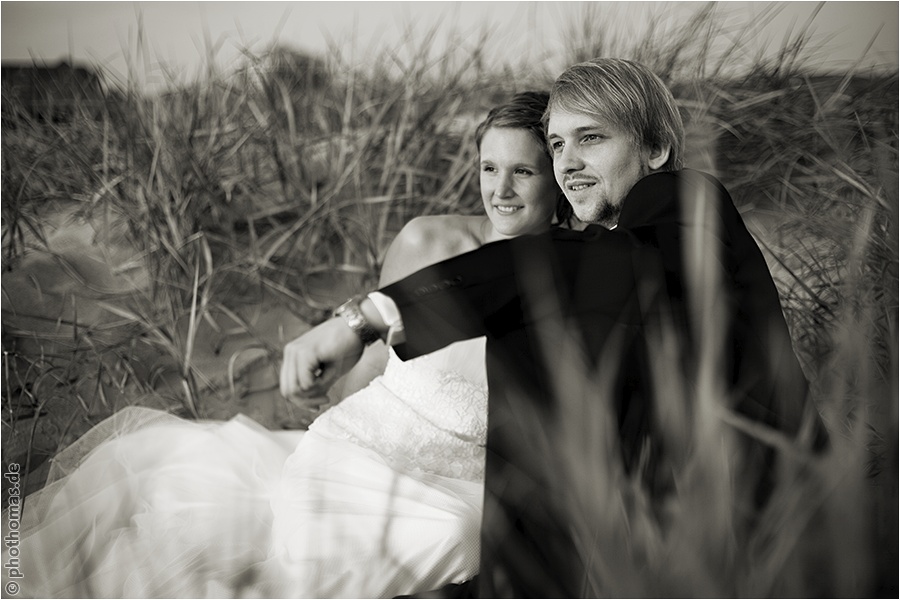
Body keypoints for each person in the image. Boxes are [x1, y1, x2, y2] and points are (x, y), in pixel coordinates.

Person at [281, 58, 829, 598]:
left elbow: (566, 266)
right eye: (558, 144)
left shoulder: (682, 201)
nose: (567, 162)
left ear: (656, 149)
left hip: (764, 541)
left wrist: (370, 317)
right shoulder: (603, 257)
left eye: (589, 138)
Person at [3, 91, 566, 598]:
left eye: (523, 172)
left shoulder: (576, 285)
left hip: (456, 490)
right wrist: (327, 396)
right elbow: (372, 352)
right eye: (489, 167)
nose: (501, 189)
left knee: (456, 537)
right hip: (360, 445)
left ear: (559, 176)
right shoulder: (428, 241)